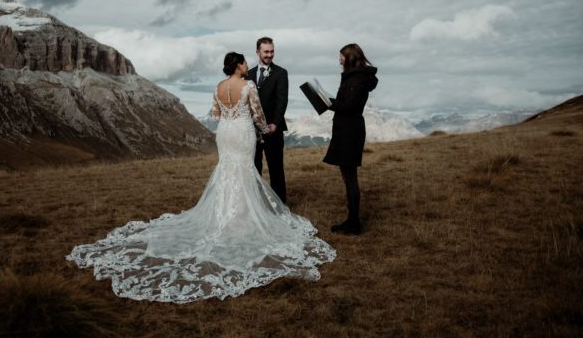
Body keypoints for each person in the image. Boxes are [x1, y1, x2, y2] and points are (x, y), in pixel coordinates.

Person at [67, 52, 335, 303]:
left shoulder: (218, 87)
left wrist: (231, 116)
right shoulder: (249, 86)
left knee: (228, 171)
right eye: (243, 63)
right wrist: (265, 129)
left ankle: (225, 214)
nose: (246, 66)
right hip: (242, 132)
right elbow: (258, 113)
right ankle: (241, 218)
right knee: (243, 172)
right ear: (239, 66)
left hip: (225, 133)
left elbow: (216, 114)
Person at [323, 44, 378, 235]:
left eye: (341, 57)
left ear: (350, 58)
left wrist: (326, 101)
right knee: (348, 176)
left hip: (349, 131)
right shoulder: (357, 77)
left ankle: (353, 223)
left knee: (350, 177)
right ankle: (352, 220)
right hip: (349, 129)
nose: (339, 60)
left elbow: (349, 107)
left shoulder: (356, 78)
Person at [247, 37, 289, 203]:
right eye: (266, 52)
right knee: (254, 167)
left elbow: (282, 100)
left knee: (276, 168)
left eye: (272, 51)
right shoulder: (248, 74)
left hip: (273, 129)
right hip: (251, 129)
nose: (269, 55)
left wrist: (275, 124)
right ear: (258, 52)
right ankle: (256, 204)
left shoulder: (281, 73)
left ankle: (280, 204)